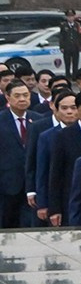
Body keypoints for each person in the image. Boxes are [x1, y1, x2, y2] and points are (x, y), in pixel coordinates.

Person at [34, 89, 81, 227]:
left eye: (73, 108)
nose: (69, 112)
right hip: (62, 195)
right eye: (64, 108)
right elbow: (43, 171)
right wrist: (44, 204)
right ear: (56, 110)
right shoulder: (47, 136)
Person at [1, 78, 38, 228]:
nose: (22, 99)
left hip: (33, 185)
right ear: (7, 97)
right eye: (17, 96)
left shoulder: (38, 119)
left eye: (25, 95)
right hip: (7, 185)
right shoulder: (1, 120)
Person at [58, 9, 81, 77]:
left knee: (75, 63)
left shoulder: (77, 25)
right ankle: (68, 76)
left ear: (74, 17)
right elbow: (61, 37)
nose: (70, 18)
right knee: (67, 63)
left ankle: (75, 76)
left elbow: (80, 36)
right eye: (68, 16)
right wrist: (61, 47)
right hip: (67, 47)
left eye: (72, 16)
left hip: (75, 47)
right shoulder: (63, 25)